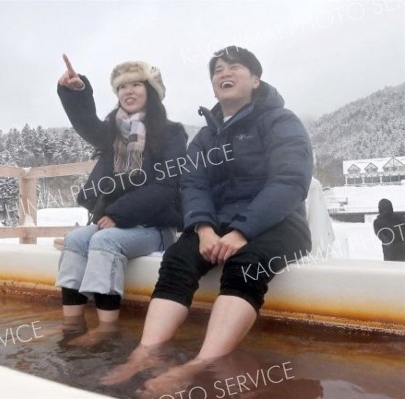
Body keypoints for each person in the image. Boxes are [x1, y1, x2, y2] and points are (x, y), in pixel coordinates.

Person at [103, 46, 313, 391]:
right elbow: (193, 184)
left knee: (245, 265)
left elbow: (290, 182)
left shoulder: (280, 121)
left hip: (279, 224)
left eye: (234, 68)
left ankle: (199, 364)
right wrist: (202, 228)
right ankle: (144, 353)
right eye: (217, 71)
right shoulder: (205, 136)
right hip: (217, 226)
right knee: (176, 259)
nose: (223, 74)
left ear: (256, 80)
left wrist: (242, 231)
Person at [55, 54, 187, 341]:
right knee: (76, 239)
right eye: (122, 87)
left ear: (151, 91)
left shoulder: (171, 133)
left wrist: (119, 214)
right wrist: (76, 92)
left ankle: (107, 329)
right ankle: (72, 324)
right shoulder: (112, 132)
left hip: (155, 227)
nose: (128, 91)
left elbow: (167, 186)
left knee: (104, 240)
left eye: (136, 84)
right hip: (113, 221)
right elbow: (87, 124)